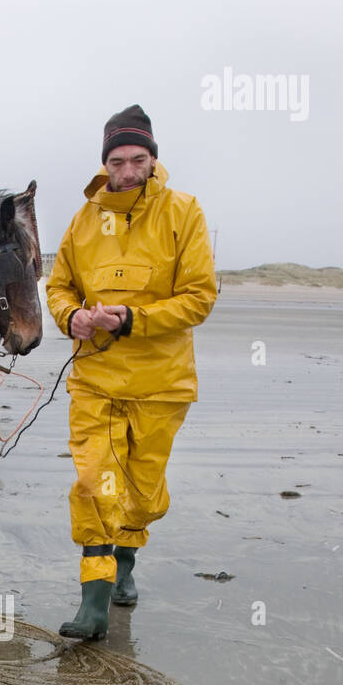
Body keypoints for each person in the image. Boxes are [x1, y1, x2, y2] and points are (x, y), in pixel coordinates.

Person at [46, 104, 217, 639]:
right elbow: (58, 286)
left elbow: (199, 298)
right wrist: (72, 317)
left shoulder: (183, 211)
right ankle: (92, 602)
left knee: (141, 491)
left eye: (136, 159)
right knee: (95, 482)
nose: (126, 170)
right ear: (105, 163)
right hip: (94, 380)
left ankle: (125, 564)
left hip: (161, 385)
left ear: (152, 159)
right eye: (117, 161)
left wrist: (130, 319)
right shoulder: (82, 220)